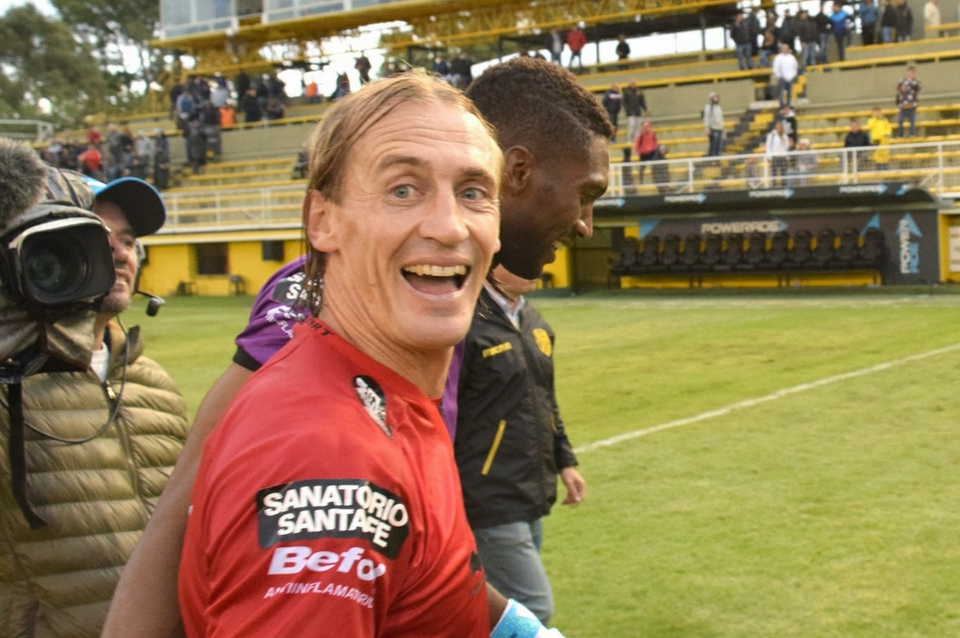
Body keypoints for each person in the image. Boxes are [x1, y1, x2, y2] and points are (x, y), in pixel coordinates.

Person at [103, 56, 613, 638]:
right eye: (403, 190)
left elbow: (426, 558)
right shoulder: (327, 427)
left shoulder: (413, 358)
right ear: (324, 222)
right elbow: (198, 490)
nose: (585, 224)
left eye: (474, 192)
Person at [0, 142, 189, 638]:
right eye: (99, 237)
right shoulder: (8, 382)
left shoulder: (154, 383)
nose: (120, 253)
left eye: (128, 241)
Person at [454, 264, 585, 626]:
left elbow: (545, 400)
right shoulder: (464, 325)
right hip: (486, 493)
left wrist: (565, 461)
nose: (537, 265)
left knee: (499, 606)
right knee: (532, 608)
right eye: (523, 256)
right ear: (493, 262)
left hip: (529, 485)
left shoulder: (535, 323)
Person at [621, 80, 648, 162]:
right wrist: (627, 110)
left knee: (638, 128)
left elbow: (642, 101)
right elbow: (624, 102)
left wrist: (645, 109)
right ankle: (629, 140)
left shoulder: (639, 91)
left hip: (638, 112)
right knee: (632, 126)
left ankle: (637, 140)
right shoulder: (626, 92)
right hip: (630, 113)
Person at [772, 43, 799, 107]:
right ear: (781, 49)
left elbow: (795, 66)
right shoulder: (778, 58)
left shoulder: (792, 57)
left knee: (790, 92)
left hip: (791, 77)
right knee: (781, 92)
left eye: (786, 49)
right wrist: (779, 76)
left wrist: (794, 75)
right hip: (782, 77)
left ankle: (789, 104)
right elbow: (776, 68)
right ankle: (781, 105)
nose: (785, 50)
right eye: (784, 49)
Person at [896, 66, 920, 137]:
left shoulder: (916, 82)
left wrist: (912, 81)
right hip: (903, 105)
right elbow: (897, 90)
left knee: (912, 121)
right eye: (910, 73)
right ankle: (901, 134)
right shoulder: (902, 81)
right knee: (900, 120)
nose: (911, 74)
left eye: (913, 73)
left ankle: (912, 134)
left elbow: (918, 88)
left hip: (911, 105)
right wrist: (901, 90)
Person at [765, 120, 791, 185]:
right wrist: (769, 157)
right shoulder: (771, 135)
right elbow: (768, 146)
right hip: (774, 156)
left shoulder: (785, 136)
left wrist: (787, 157)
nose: (779, 128)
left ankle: (784, 184)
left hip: (783, 156)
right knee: (774, 172)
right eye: (777, 127)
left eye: (780, 127)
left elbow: (786, 147)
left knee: (784, 172)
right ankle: (773, 185)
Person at [634, 119, 659, 184]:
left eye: (648, 126)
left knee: (654, 166)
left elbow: (655, 141)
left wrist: (654, 148)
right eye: (646, 127)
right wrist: (639, 151)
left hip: (651, 152)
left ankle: (654, 179)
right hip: (643, 153)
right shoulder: (641, 135)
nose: (647, 128)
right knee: (642, 168)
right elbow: (637, 144)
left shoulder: (652, 134)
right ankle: (641, 180)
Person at [703, 92, 725, 156]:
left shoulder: (718, 107)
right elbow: (707, 117)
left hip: (719, 128)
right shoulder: (709, 107)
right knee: (713, 145)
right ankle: (712, 157)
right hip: (713, 128)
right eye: (714, 97)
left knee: (719, 145)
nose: (716, 98)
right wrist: (707, 128)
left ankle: (717, 157)